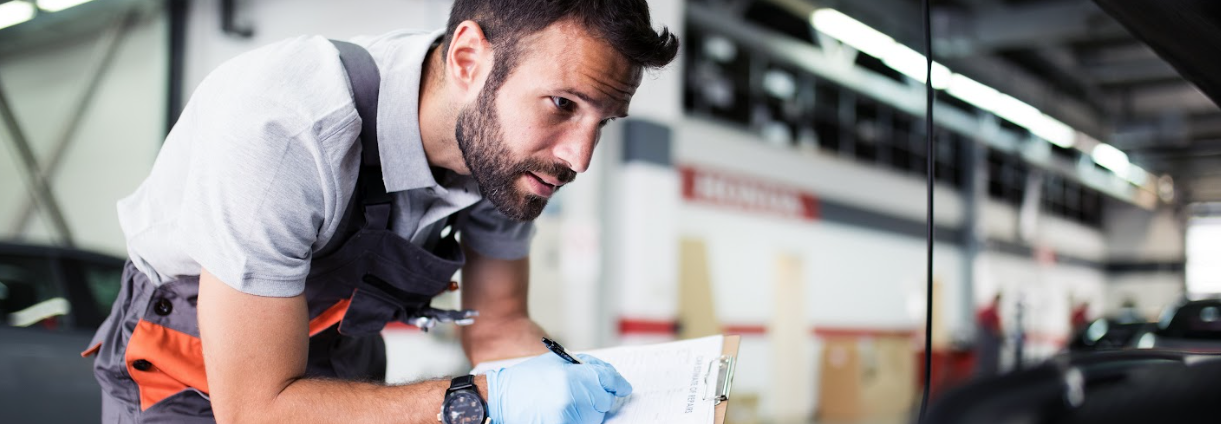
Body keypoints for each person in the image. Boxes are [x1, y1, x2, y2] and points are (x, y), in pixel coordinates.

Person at [84, 1, 679, 422]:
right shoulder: (285, 130)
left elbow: (498, 326)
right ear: (469, 59)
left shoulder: (513, 160)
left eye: (602, 122)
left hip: (345, 351)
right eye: (562, 103)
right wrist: (485, 401)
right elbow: (257, 411)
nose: (578, 156)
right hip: (194, 369)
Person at [974, 292, 1003, 378]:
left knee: (986, 363)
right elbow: (996, 329)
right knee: (989, 364)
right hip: (989, 342)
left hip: (986, 341)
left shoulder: (988, 311)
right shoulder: (991, 312)